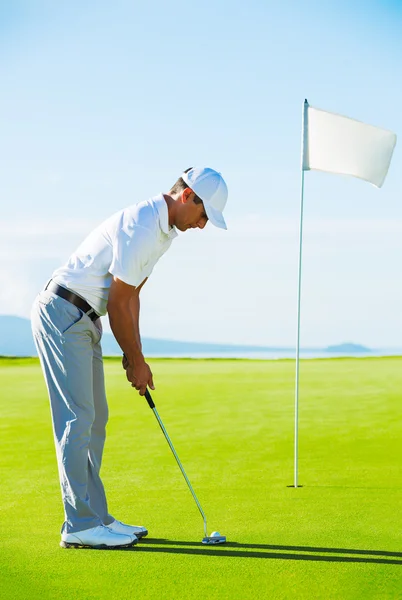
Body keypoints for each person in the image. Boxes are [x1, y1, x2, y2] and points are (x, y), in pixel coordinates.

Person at [30, 167, 228, 550]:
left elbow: (132, 295)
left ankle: (97, 517)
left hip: (83, 319)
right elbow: (119, 302)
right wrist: (134, 359)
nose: (203, 226)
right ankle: (79, 524)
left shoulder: (163, 233)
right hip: (63, 312)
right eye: (204, 215)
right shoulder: (140, 225)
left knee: (95, 418)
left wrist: (135, 355)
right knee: (78, 418)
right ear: (187, 196)